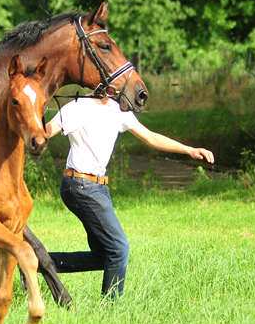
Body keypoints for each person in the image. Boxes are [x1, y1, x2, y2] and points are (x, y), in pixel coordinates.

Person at [41, 95, 214, 298]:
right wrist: (34, 109)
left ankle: (35, 262)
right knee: (118, 248)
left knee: (104, 256)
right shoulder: (77, 107)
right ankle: (111, 311)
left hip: (97, 187)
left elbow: (150, 137)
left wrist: (189, 150)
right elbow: (45, 132)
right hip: (80, 185)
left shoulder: (117, 109)